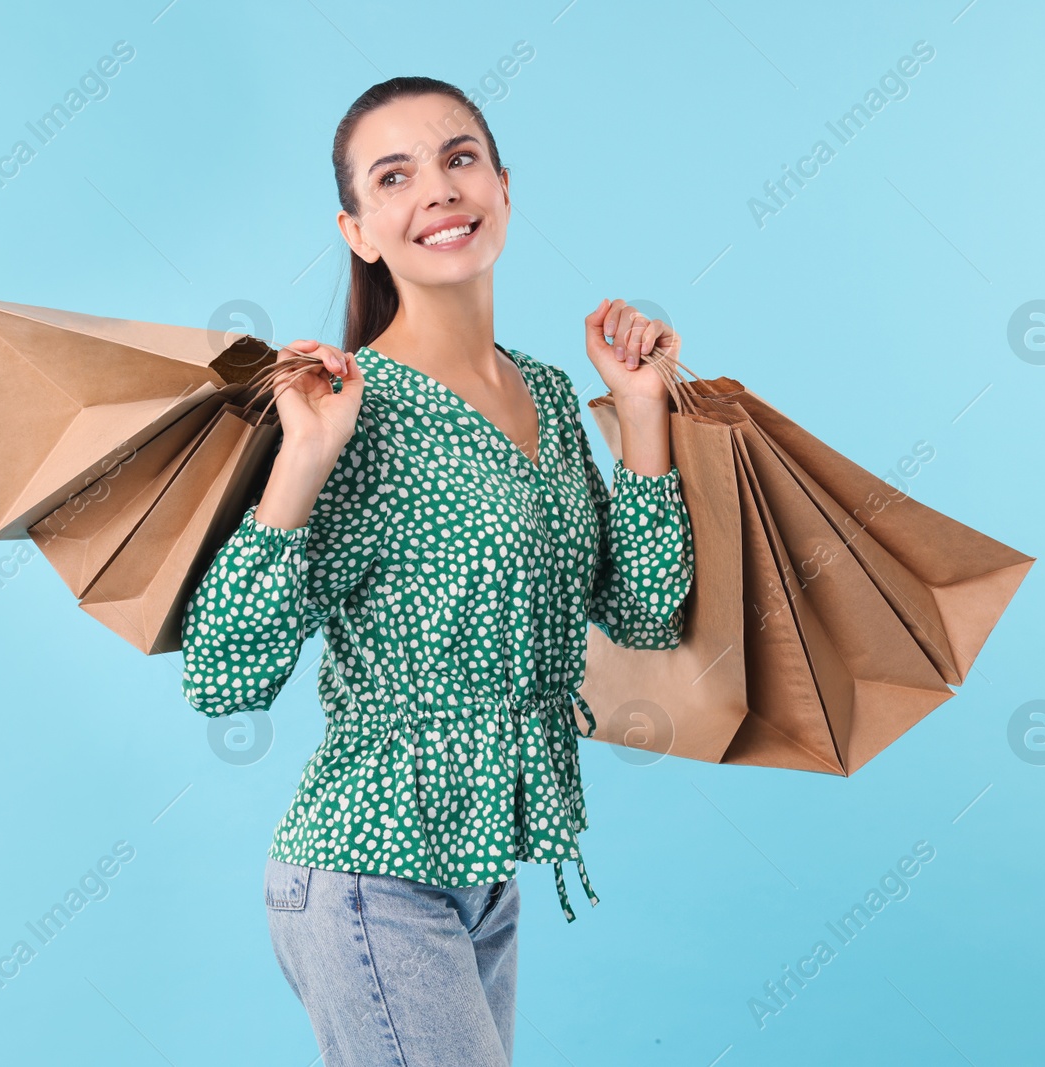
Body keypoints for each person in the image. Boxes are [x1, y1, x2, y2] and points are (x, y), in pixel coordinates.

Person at [179, 76, 694, 1067]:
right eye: (394, 175)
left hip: (480, 870)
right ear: (359, 229)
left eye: (459, 158)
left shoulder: (542, 389)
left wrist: (638, 414)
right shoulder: (352, 406)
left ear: (503, 185)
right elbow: (222, 677)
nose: (439, 190)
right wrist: (301, 459)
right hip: (369, 871)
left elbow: (640, 613)